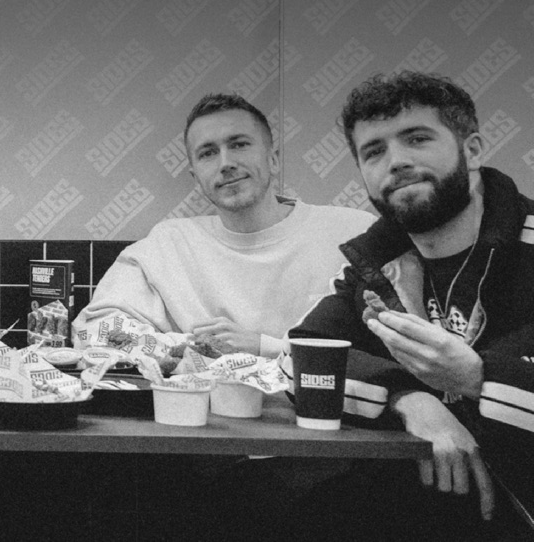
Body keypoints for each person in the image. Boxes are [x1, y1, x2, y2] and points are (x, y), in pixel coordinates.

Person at [291, 71, 534, 539]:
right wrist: (407, 398)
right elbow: (301, 361)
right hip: (432, 501)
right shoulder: (374, 264)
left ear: (472, 150)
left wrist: (476, 378)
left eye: (417, 139)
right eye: (373, 151)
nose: (396, 161)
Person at [75, 91, 374, 356]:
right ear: (196, 177)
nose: (225, 163)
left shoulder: (352, 232)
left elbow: (383, 349)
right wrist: (195, 348)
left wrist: (263, 347)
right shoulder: (170, 244)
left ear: (273, 159)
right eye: (208, 153)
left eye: (239, 144)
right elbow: (93, 331)